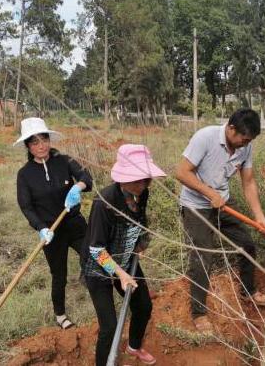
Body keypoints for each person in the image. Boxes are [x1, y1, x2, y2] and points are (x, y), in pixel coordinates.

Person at [175, 108, 265, 334]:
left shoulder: (245, 147)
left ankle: (248, 291)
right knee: (202, 256)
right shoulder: (205, 138)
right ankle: (198, 313)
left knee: (246, 244)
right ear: (231, 128)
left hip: (223, 203)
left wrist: (259, 215)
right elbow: (181, 172)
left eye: (250, 141)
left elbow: (248, 182)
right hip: (196, 206)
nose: (246, 144)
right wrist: (208, 193)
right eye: (244, 139)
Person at [81, 144, 166, 366]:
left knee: (144, 306)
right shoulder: (104, 203)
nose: (144, 184)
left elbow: (142, 222)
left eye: (146, 179)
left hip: (126, 257)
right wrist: (119, 273)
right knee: (109, 326)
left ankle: (134, 346)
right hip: (98, 265)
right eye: (138, 179)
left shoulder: (141, 193)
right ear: (123, 178)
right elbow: (96, 249)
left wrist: (141, 242)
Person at [15, 117, 93, 329]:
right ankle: (60, 315)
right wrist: (41, 228)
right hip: (51, 231)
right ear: (28, 146)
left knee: (94, 255)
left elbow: (87, 177)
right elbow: (26, 206)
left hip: (74, 223)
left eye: (44, 139)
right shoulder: (25, 175)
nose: (41, 146)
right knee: (59, 275)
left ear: (49, 140)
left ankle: (92, 278)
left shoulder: (64, 161)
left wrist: (79, 185)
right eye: (35, 142)